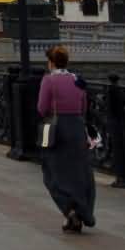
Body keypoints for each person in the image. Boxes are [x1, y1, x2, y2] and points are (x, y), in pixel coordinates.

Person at [39, 45, 97, 233]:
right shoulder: (78, 80)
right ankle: (82, 213)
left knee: (53, 173)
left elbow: (42, 108)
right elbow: (83, 107)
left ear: (51, 62)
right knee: (80, 174)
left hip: (58, 131)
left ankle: (70, 210)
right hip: (78, 129)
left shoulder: (49, 81)